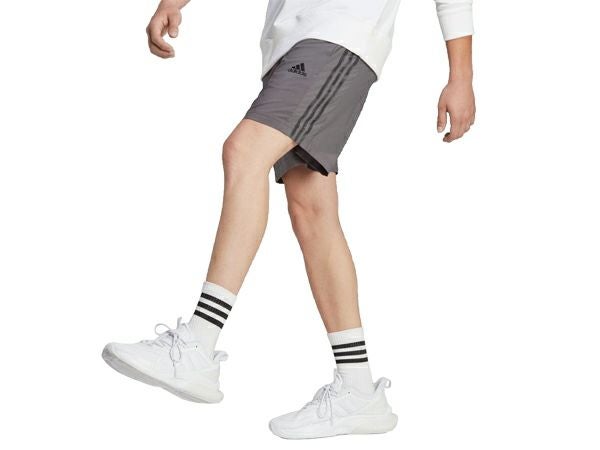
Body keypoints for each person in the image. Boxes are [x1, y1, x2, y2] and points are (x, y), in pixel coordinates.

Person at [102, 0, 476, 439]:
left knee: (244, 152)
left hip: (339, 33)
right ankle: (358, 389)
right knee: (311, 209)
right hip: (291, 42)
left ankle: (198, 344)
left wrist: (461, 77)